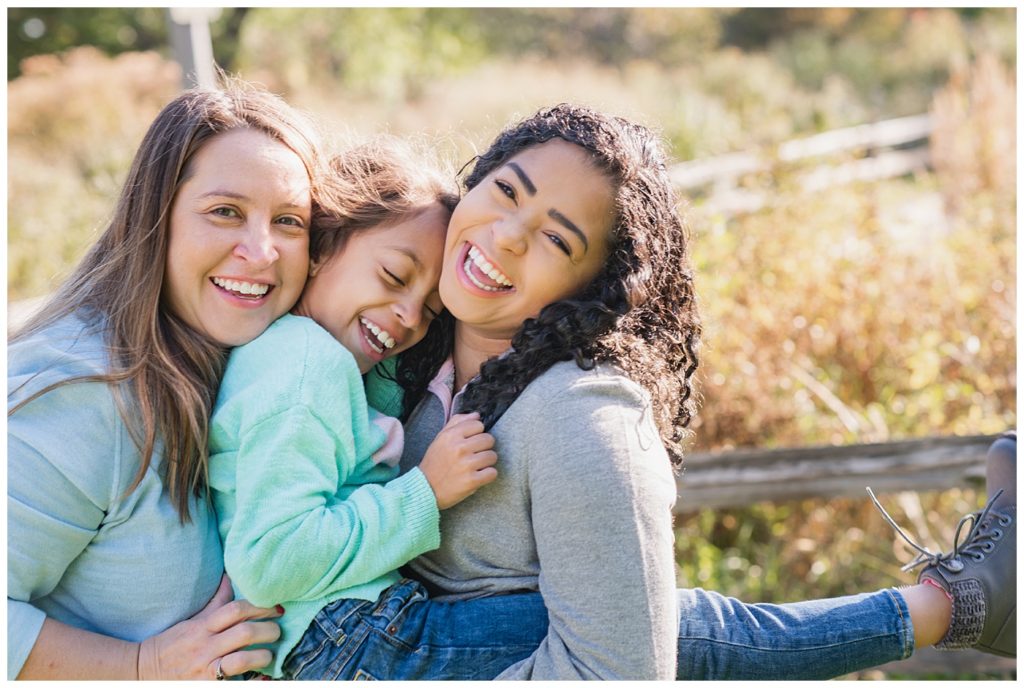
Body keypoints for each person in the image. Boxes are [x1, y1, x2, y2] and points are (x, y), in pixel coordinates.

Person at [329, 103, 1012, 680]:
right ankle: (962, 601)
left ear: (591, 289)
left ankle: (965, 602)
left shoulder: (580, 417)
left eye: (557, 241)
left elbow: (618, 672)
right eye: (507, 192)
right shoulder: (403, 341)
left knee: (685, 626)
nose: (506, 238)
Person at [7, 80, 325, 680]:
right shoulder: (77, 393)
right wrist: (142, 665)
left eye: (289, 222)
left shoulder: (267, 364)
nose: (261, 252)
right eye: (225, 212)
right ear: (155, 219)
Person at [208, 139, 515, 680]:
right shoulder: (307, 364)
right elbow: (269, 562)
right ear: (322, 247)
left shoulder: (319, 360)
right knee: (684, 632)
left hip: (341, 636)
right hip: (345, 636)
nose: (409, 316)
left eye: (430, 308)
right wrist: (426, 491)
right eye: (395, 277)